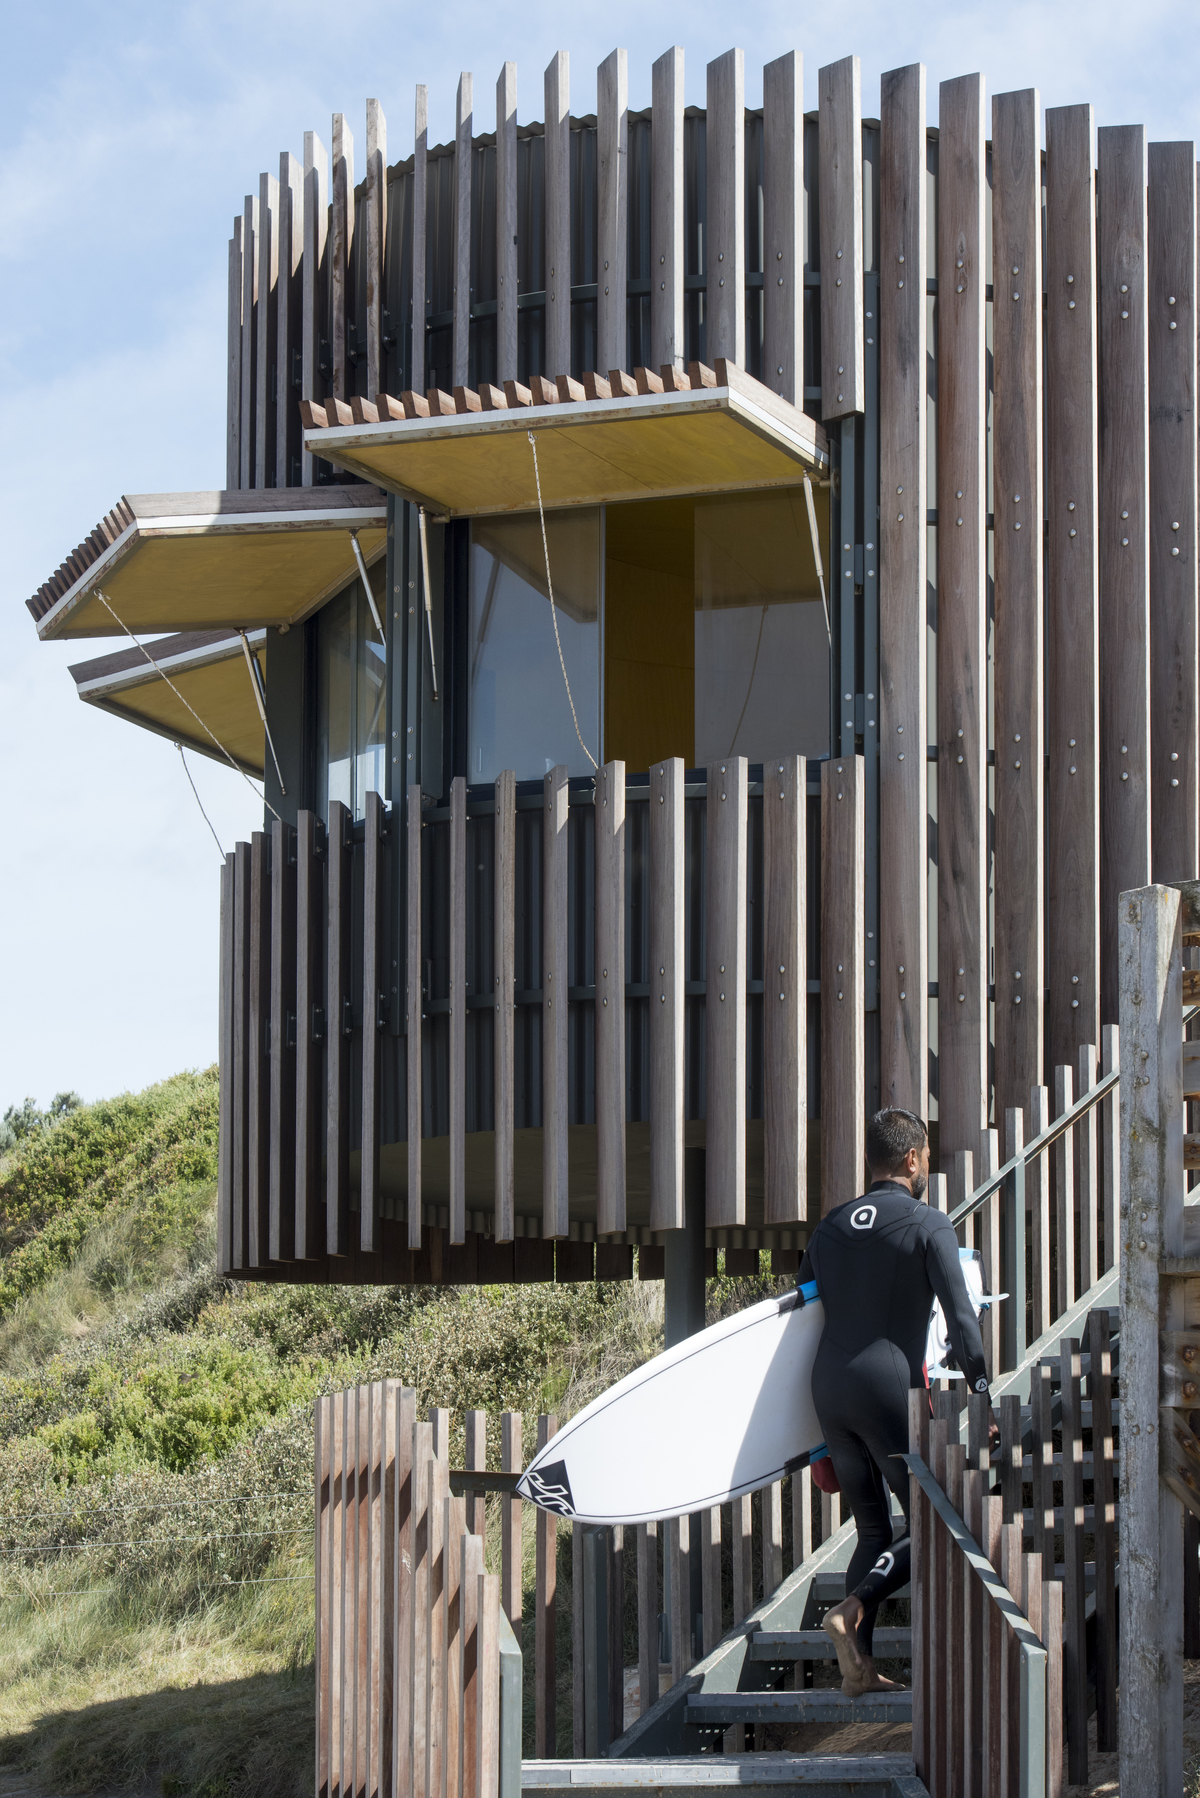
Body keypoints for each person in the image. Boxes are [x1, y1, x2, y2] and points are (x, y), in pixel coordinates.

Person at [798, 1107, 996, 1696]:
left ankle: (858, 1668)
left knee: (874, 1531)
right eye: (928, 1157)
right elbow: (962, 1321)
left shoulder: (827, 1228)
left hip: (829, 1390)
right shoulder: (927, 1222)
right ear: (912, 1159)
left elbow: (796, 1319)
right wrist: (982, 1394)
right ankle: (853, 1607)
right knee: (935, 1519)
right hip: (890, 1388)